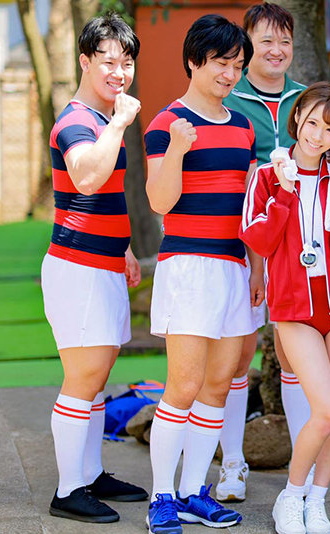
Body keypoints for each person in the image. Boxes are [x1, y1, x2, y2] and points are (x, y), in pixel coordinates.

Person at [143, 14, 259, 533]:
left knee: (218, 385)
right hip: (188, 266)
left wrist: (256, 269)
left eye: (237, 66)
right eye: (221, 63)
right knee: (184, 384)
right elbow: (159, 201)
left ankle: (193, 492)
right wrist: (177, 148)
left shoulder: (243, 126)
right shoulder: (166, 123)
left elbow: (249, 207)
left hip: (235, 266)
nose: (230, 74)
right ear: (194, 61)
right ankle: (161, 497)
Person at [241, 81, 330, 534]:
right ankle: (291, 496)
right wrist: (284, 192)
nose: (317, 136)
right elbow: (258, 240)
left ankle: (317, 500)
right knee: (327, 410)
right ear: (296, 117)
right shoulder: (267, 174)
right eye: (312, 122)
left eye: (329, 129)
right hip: (295, 308)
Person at [42, 12, 148, 524]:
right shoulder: (77, 121)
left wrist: (123, 247)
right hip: (77, 267)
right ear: (85, 61)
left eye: (126, 62)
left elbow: (98, 197)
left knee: (99, 376)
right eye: (107, 61)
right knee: (83, 379)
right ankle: (68, 490)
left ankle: (89, 473)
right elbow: (86, 177)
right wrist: (122, 122)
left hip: (103, 264)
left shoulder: (103, 119)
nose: (118, 72)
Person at [217, 2, 309, 503]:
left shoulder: (307, 101)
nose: (276, 50)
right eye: (266, 41)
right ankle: (233, 464)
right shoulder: (228, 99)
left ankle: (302, 469)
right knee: (238, 356)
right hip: (239, 247)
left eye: (285, 41)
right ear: (247, 45)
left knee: (295, 357)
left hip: (299, 251)